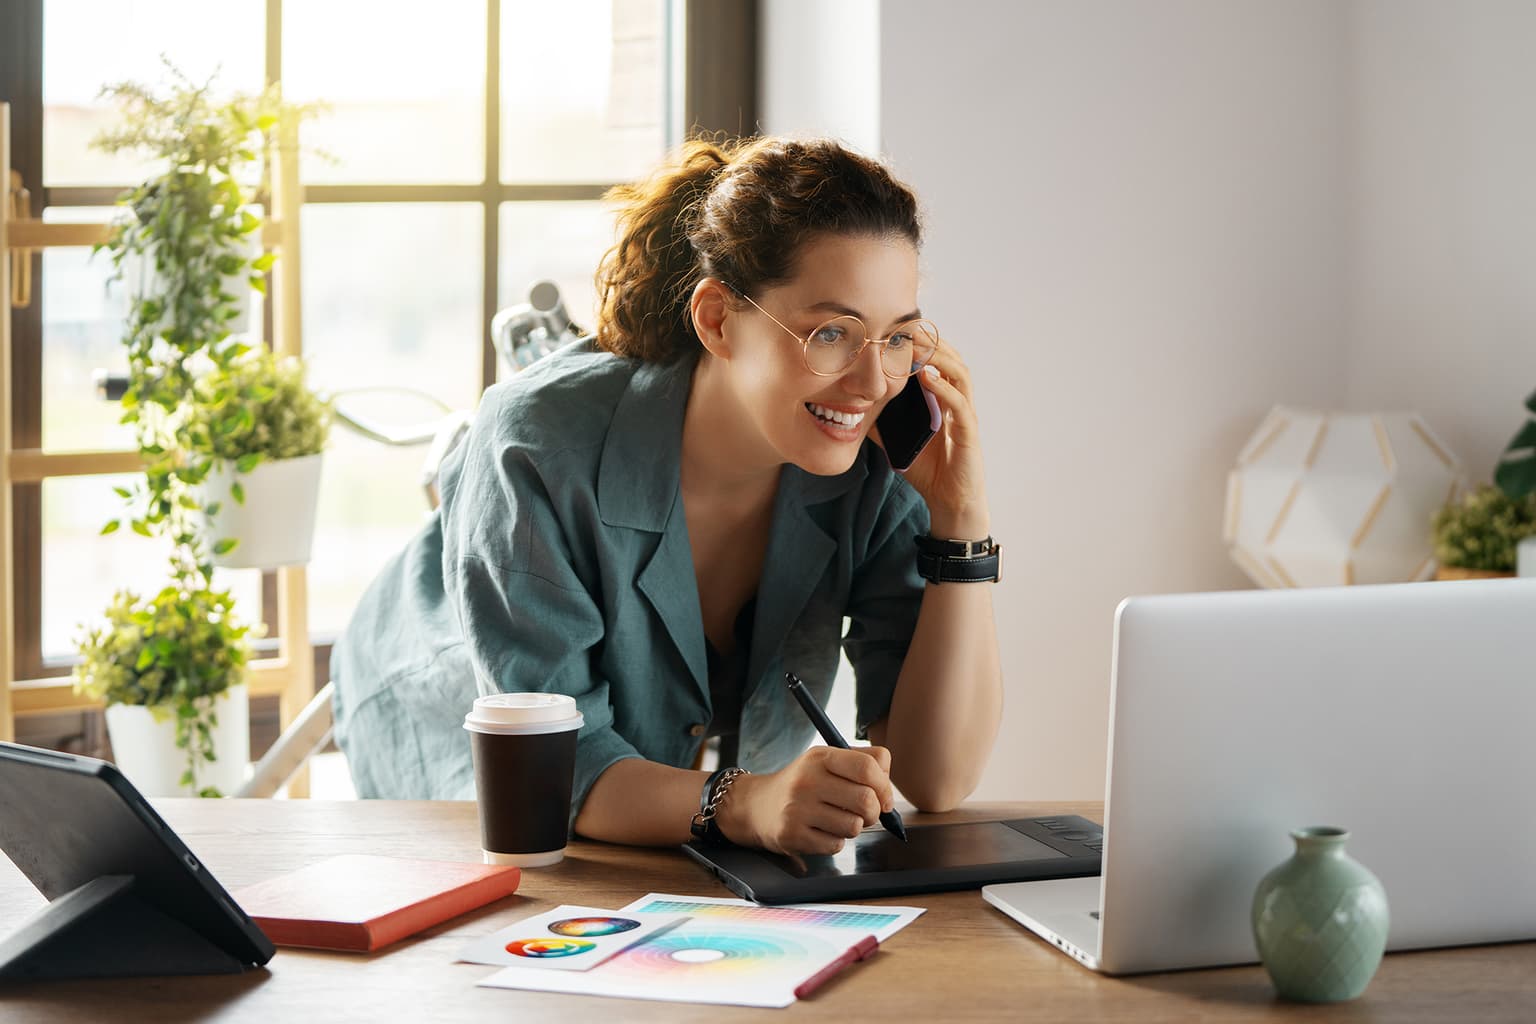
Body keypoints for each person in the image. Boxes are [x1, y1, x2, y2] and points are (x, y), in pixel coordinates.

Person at [331, 136, 1002, 856]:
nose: (873, 383)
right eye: (831, 332)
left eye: (897, 338)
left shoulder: (872, 460)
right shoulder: (535, 442)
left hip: (666, 781)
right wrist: (743, 802)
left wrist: (960, 522)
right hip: (451, 706)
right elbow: (558, 766)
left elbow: (938, 778)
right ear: (717, 319)